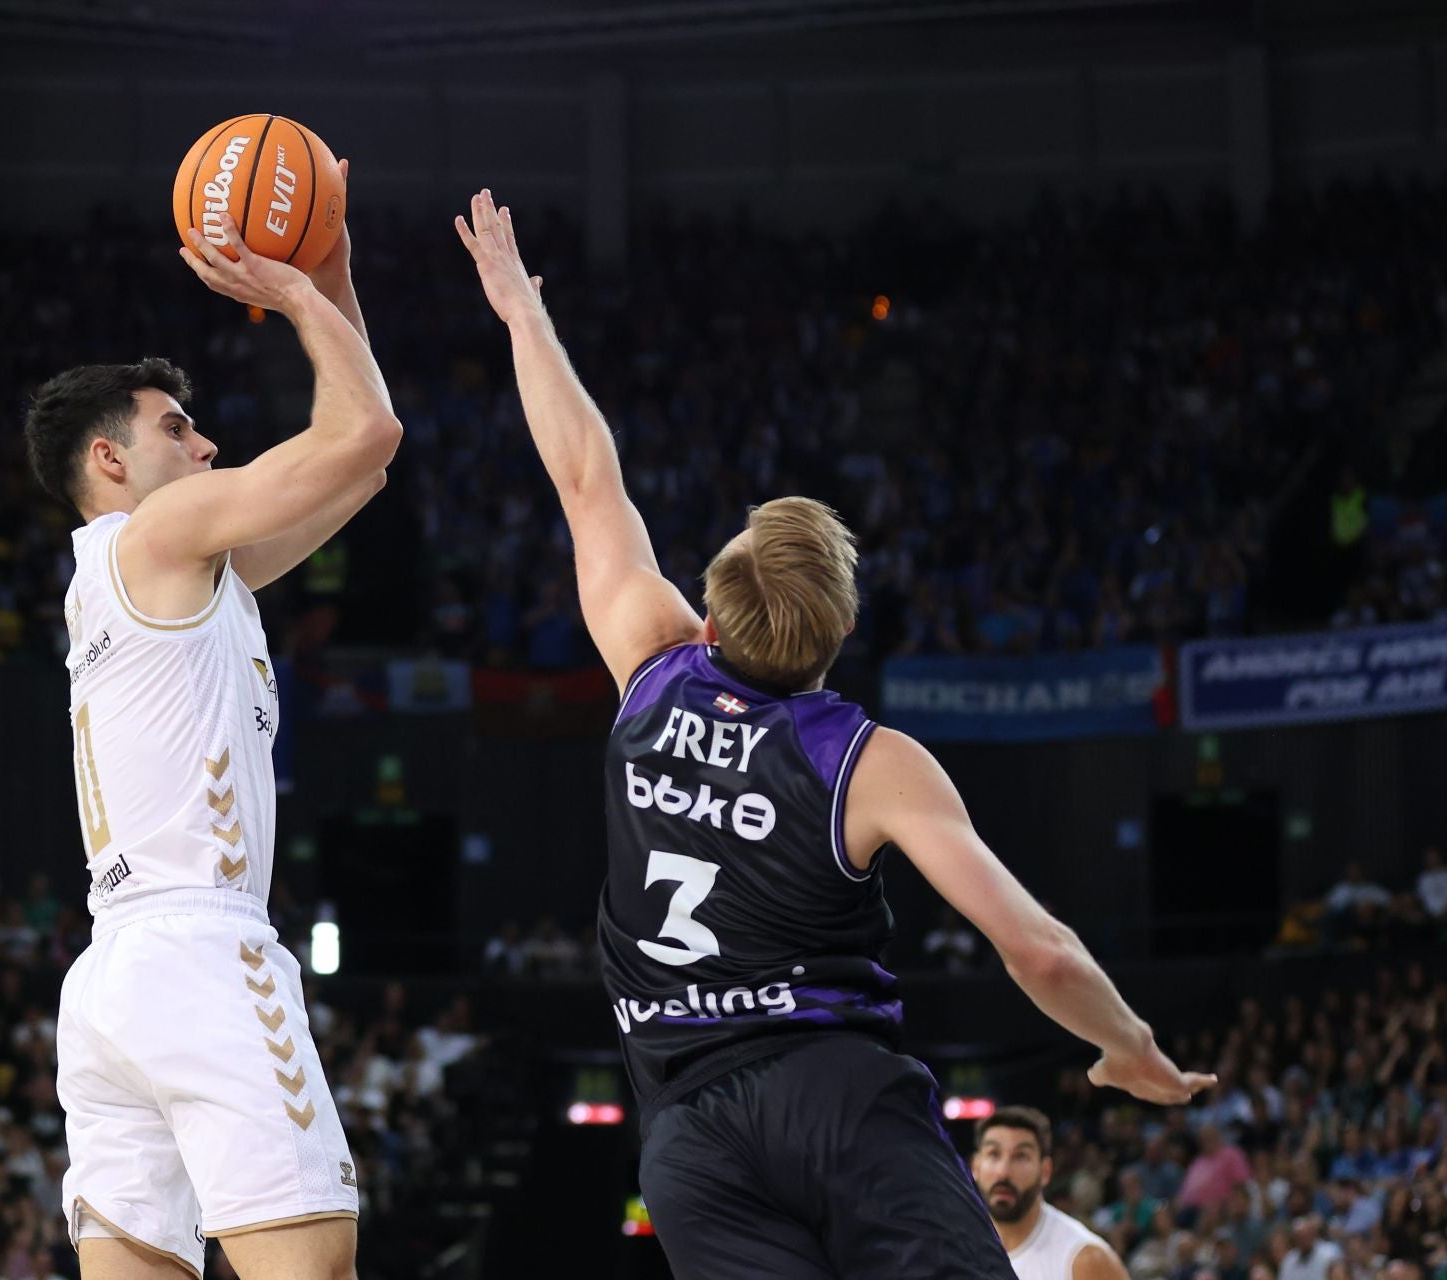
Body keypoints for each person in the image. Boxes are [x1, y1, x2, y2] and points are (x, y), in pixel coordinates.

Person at [454, 187, 1213, 1280]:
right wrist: (1127, 1044)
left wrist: (525, 316)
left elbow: (584, 474)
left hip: (687, 1132)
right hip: (838, 1096)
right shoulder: (872, 761)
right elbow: (1037, 947)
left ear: (709, 616)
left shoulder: (651, 663)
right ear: (844, 631)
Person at [22, 175, 397, 1280]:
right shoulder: (167, 527)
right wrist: (290, 290)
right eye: (175, 428)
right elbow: (370, 424)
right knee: (311, 1266)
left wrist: (332, 277)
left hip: (110, 980)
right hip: (198, 946)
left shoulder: (154, 567)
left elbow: (363, 459)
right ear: (110, 461)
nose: (206, 443)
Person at [971, 1106, 1128, 1280]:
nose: (1003, 1171)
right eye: (994, 1154)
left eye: (1021, 1156)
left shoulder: (1086, 1259)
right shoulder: (951, 1247)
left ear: (1045, 1171)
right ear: (975, 1167)